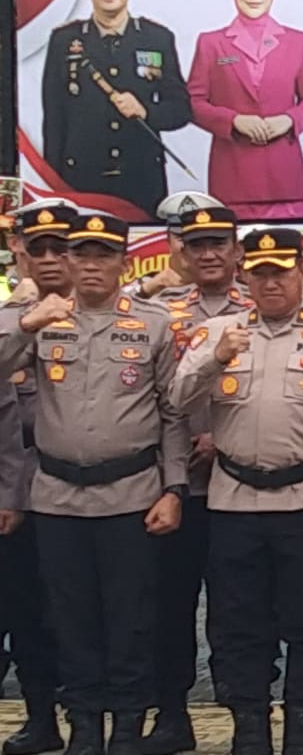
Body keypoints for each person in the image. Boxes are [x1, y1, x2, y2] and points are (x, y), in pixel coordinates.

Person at [172, 228, 303, 755]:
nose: (270, 283)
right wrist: (215, 357)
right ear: (245, 275)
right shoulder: (216, 332)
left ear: (302, 274)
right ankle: (249, 734)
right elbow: (176, 399)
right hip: (234, 502)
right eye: (259, 273)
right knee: (240, 627)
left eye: (281, 272)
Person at [0, 214, 188, 755]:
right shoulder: (39, 320)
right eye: (79, 255)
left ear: (123, 263)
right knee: (68, 618)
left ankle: (127, 725)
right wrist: (28, 324)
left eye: (102, 255)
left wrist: (173, 489)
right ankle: (83, 726)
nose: (88, 265)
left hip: (130, 492)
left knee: (130, 618)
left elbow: (171, 414)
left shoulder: (152, 324)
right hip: (57, 496)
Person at [144, 207, 253, 755]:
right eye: (198, 243)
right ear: (180, 251)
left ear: (237, 251)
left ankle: (245, 717)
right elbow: (158, 401)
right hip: (181, 483)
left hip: (245, 486)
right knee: (170, 604)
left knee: (240, 609)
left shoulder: (268, 306)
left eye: (220, 243)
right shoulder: (159, 314)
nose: (209, 253)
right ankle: (171, 711)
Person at [41, 0, 191, 219]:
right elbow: (55, 121)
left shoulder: (156, 38)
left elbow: (181, 109)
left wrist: (145, 111)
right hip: (83, 182)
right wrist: (56, 192)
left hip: (141, 180)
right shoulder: (65, 41)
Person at [0, 203, 75, 755]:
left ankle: (100, 720)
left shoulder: (119, 311)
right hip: (21, 492)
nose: (50, 259)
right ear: (20, 248)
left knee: (90, 612)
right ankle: (41, 714)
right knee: (26, 612)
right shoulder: (6, 314)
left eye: (62, 247)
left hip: (95, 490)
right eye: (39, 247)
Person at [187, 0, 303, 219]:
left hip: (285, 179)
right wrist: (234, 120)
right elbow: (193, 102)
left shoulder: (298, 42)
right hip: (231, 180)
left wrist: (287, 119)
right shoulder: (211, 42)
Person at [132, 192, 225, 301]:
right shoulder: (148, 286)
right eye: (180, 238)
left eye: (195, 241)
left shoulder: (234, 286)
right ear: (168, 243)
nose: (185, 247)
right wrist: (146, 290)